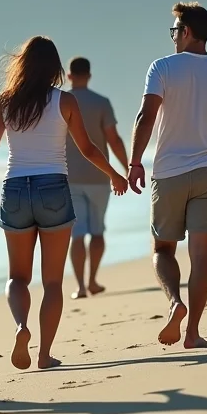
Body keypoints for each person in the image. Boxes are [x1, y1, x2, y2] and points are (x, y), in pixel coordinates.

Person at [0, 37, 128, 370]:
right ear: (56, 68)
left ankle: (20, 327)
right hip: (53, 186)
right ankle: (44, 355)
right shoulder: (64, 101)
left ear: (21, 65)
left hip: (14, 188)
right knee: (52, 282)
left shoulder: (4, 101)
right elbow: (87, 149)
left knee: (17, 278)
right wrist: (114, 173)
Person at [128, 2, 207, 350]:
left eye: (175, 30)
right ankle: (193, 332)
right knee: (201, 255)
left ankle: (174, 302)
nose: (173, 37)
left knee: (163, 249)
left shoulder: (162, 67)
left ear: (188, 31)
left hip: (170, 172)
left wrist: (135, 162)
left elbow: (145, 117)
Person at [64, 56, 129, 299]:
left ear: (69, 76)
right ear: (89, 76)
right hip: (100, 176)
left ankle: (80, 286)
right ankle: (92, 281)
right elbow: (113, 139)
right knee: (98, 231)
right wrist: (127, 168)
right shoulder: (102, 103)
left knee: (77, 232)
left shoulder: (62, 102)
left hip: (69, 177)